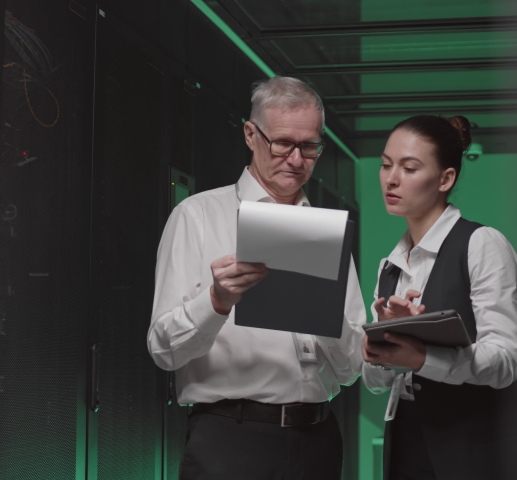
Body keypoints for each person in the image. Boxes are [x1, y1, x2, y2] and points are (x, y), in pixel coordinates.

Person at [147, 76, 365, 480]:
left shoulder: (326, 232)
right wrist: (215, 302)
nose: (296, 160)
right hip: (231, 441)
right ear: (251, 134)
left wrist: (323, 313)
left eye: (309, 147)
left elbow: (352, 368)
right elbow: (163, 350)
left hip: (317, 441)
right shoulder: (197, 216)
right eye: (282, 143)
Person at [361, 115, 517, 480]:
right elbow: (375, 384)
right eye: (385, 165)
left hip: (477, 447)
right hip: (406, 442)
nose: (391, 179)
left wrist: (423, 356)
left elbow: (505, 361)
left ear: (446, 179)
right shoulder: (390, 267)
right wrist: (380, 346)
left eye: (409, 168)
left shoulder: (481, 244)